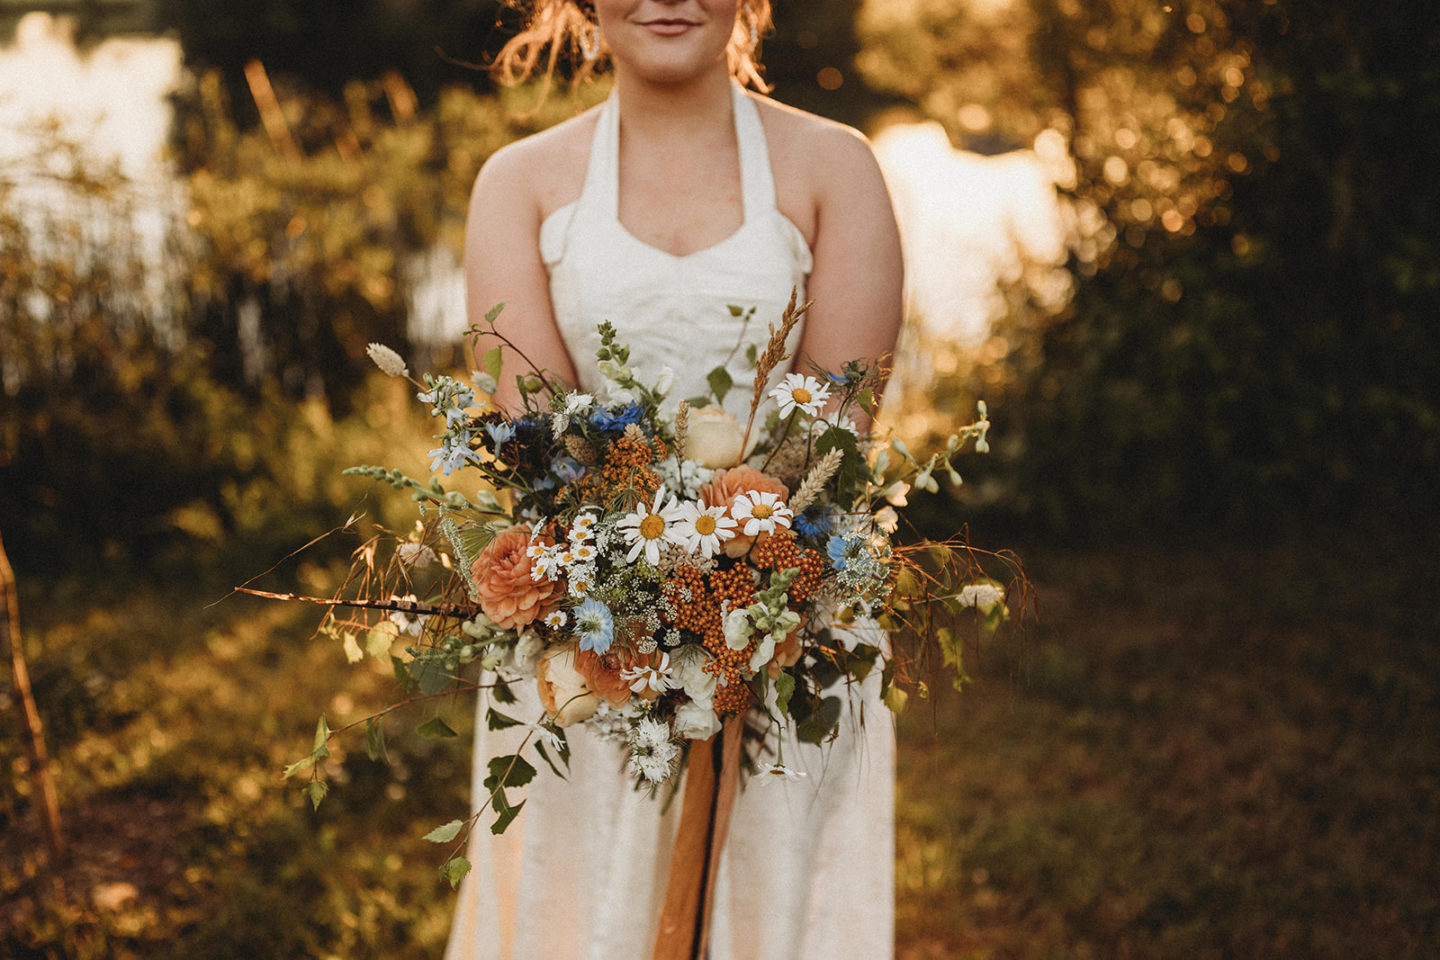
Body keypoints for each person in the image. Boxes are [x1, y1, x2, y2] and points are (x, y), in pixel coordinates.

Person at [445, 2, 904, 958]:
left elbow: (838, 424)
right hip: (588, 642)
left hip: (788, 628)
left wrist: (737, 590)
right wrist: (647, 595)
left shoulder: (835, 167)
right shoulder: (519, 184)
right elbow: (537, 445)